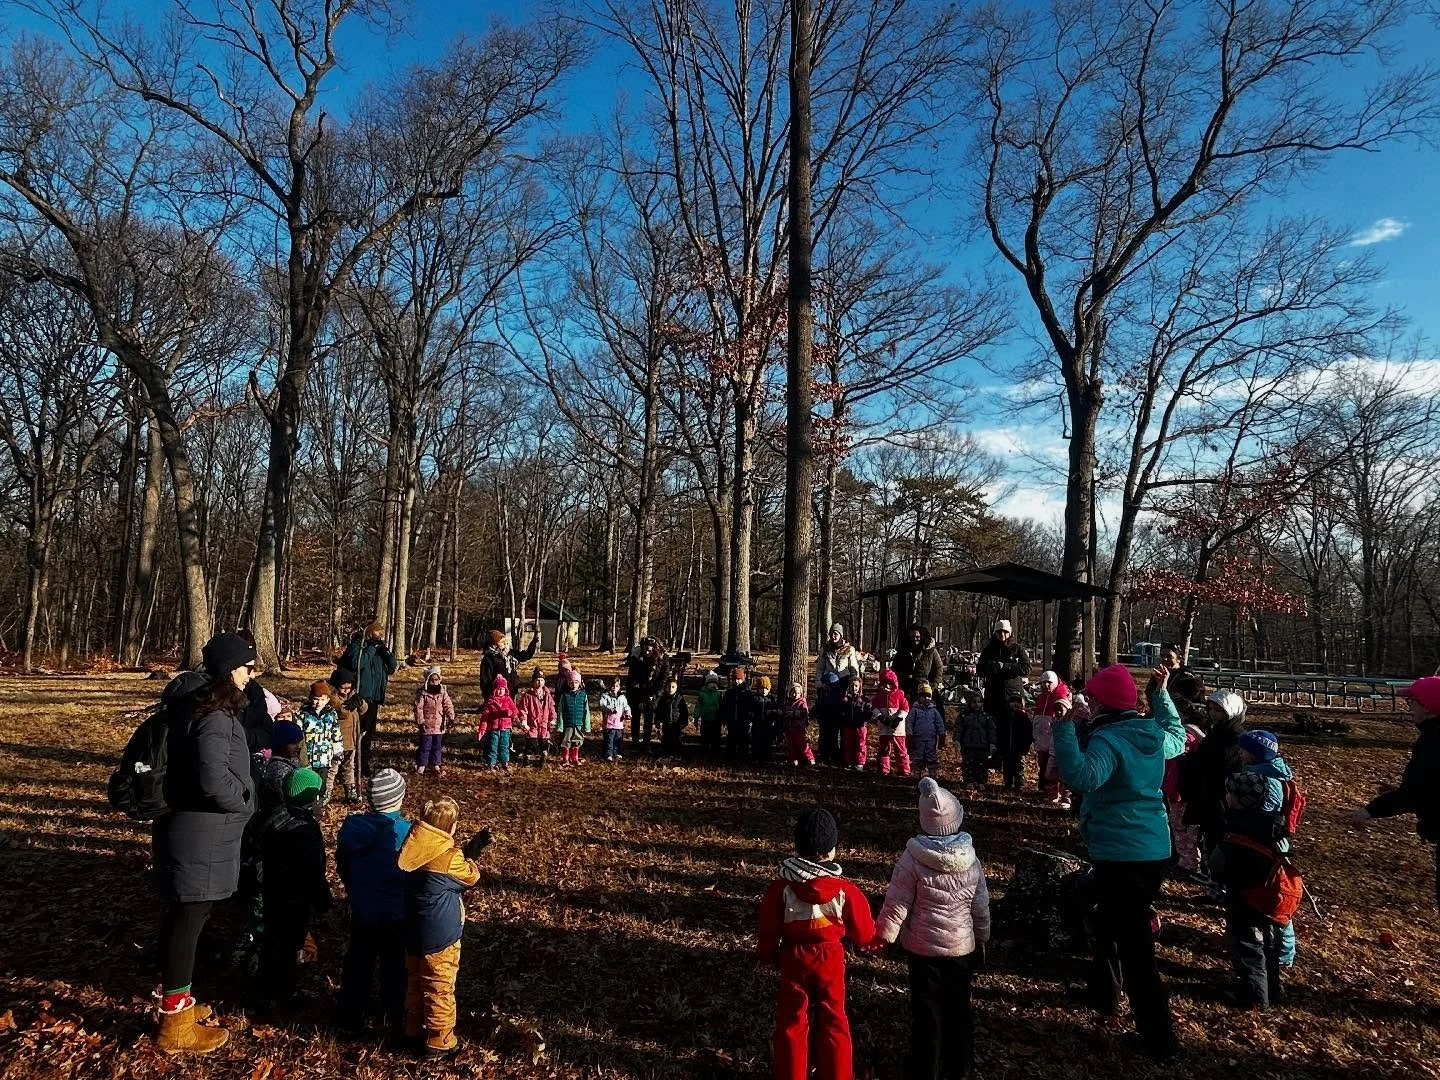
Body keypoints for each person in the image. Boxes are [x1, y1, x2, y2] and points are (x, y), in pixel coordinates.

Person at [1051, 664, 1187, 1059]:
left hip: (1121, 852)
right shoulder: (1152, 734)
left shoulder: (1108, 741)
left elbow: (1082, 777)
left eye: (1092, 698)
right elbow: (1179, 736)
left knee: (1135, 947)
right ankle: (1102, 992)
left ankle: (1159, 1039)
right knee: (1105, 915)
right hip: (1153, 849)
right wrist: (1160, 695)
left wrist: (1062, 729)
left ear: (1103, 703)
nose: (1088, 704)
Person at [151, 631, 257, 1055]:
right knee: (188, 923)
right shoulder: (214, 716)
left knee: (182, 919)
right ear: (231, 670)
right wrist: (244, 800)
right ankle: (174, 1026)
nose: (252, 675)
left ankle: (175, 1001)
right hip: (203, 837)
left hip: (190, 831)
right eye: (249, 667)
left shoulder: (192, 706)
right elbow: (213, 778)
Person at [866, 779, 990, 1079]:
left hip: (922, 952)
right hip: (961, 948)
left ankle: (926, 1069)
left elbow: (897, 903)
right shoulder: (971, 859)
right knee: (959, 1009)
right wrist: (983, 937)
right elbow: (980, 905)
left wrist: (883, 934)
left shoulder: (912, 858)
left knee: (926, 1013)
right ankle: (961, 1068)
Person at [757, 809, 875, 1080]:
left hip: (793, 956)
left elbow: (768, 928)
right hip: (830, 958)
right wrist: (869, 940)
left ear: (797, 847)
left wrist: (767, 955)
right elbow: (864, 931)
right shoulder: (845, 890)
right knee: (834, 1019)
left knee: (792, 1020)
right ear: (833, 850)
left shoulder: (782, 888)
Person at [398, 797, 492, 1060]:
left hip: (413, 927)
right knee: (440, 984)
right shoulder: (449, 858)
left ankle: (413, 1028)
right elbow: (471, 877)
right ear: (449, 828)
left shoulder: (412, 850)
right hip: (441, 935)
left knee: (416, 979)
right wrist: (470, 856)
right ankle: (440, 1039)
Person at [1344, 674, 1440, 909]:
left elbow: (1416, 793)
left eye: (1413, 702)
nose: (1410, 707)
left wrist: (1370, 810)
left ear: (1428, 707)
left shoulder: (1433, 741)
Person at [336, 769, 412, 1034]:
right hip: (396, 912)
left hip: (362, 908)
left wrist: (352, 888)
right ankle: (395, 1012)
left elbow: (342, 864)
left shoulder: (351, 827)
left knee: (358, 960)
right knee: (395, 965)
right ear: (399, 799)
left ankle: (351, 1012)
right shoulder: (405, 833)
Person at [1211, 771, 1294, 1009]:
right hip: (1268, 895)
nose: (1226, 796)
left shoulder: (1237, 828)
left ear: (1240, 800)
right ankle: (1273, 988)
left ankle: (1255, 995)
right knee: (1267, 943)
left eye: (1229, 793)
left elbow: (1218, 865)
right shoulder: (1273, 825)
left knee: (1247, 944)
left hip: (1243, 896)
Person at [258, 767, 331, 1008]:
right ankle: (283, 993)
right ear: (312, 801)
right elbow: (311, 870)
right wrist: (322, 899)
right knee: (289, 944)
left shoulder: (271, 817)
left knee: (272, 939)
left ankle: (267, 986)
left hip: (271, 890)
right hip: (295, 898)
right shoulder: (305, 830)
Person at [1178, 688, 1249, 874]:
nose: (1213, 714)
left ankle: (1220, 883)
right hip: (1207, 793)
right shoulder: (1215, 732)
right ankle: (1212, 882)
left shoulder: (1234, 737)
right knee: (1209, 838)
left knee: (1220, 841)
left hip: (1221, 795)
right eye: (1210, 710)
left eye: (1218, 710)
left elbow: (1228, 766)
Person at [340, 622, 399, 779]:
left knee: (368, 734)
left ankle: (364, 763)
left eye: (381, 632)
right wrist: (371, 648)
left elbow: (392, 667)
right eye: (377, 632)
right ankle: (347, 766)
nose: (380, 635)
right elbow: (357, 664)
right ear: (370, 633)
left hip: (374, 698)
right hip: (359, 698)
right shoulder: (358, 646)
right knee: (353, 732)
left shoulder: (379, 649)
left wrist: (385, 651)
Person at [977, 619, 1030, 734]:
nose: (1002, 635)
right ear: (995, 633)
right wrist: (990, 668)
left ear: (1010, 633)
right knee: (993, 728)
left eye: (1005, 632)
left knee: (1013, 728)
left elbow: (1026, 669)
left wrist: (1006, 666)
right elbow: (979, 669)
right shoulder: (988, 650)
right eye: (999, 632)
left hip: (1012, 694)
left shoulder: (1017, 649)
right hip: (993, 695)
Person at [297, 681, 343, 807]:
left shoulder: (331, 714)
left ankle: (319, 804)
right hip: (308, 757)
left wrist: (338, 750)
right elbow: (299, 735)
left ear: (327, 699)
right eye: (315, 699)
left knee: (322, 783)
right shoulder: (303, 714)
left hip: (324, 758)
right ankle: (308, 804)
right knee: (308, 783)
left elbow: (336, 733)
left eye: (322, 700)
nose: (318, 703)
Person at [624, 637, 669, 755]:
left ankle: (646, 743)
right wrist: (632, 692)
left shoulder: (662, 659)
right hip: (637, 691)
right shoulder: (636, 658)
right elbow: (631, 677)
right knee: (635, 717)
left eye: (649, 650)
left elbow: (663, 680)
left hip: (653, 692)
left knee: (649, 719)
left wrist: (654, 694)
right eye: (645, 650)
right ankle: (635, 742)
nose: (647, 652)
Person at [1032, 670, 1071, 805]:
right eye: (1044, 683)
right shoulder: (1042, 697)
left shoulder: (1061, 696)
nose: (1046, 685)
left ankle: (1060, 793)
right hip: (1042, 736)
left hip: (1054, 739)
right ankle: (1046, 790)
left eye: (1049, 683)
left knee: (1056, 768)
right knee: (1044, 765)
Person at [327, 668, 362, 805]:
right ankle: (327, 791)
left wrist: (360, 701)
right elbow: (343, 713)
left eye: (349, 688)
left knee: (349, 766)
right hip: (338, 741)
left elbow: (364, 710)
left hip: (352, 740)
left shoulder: (352, 695)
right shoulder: (333, 698)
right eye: (343, 688)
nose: (346, 691)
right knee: (333, 767)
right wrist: (350, 705)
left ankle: (350, 790)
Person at [412, 666, 455, 777]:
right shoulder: (423, 694)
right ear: (428, 680)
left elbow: (448, 705)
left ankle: (435, 763)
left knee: (437, 746)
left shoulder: (442, 693)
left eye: (437, 680)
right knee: (425, 746)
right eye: (432, 680)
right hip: (426, 725)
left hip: (439, 725)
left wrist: (451, 717)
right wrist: (420, 721)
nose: (435, 682)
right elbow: (418, 708)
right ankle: (422, 764)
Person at [479, 628, 538, 702]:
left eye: (505, 641)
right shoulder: (489, 659)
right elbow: (485, 680)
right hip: (497, 695)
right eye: (502, 642)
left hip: (512, 691)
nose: (505, 644)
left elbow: (525, 656)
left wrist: (533, 643)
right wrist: (489, 698)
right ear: (494, 644)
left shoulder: (510, 653)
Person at [872, 670, 912, 777]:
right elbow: (874, 708)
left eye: (889, 684)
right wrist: (880, 716)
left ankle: (904, 769)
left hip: (897, 728)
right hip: (884, 727)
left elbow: (905, 708)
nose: (886, 686)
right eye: (884, 684)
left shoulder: (899, 694)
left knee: (900, 748)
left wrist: (898, 719)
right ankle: (884, 768)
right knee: (884, 748)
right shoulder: (879, 696)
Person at [515, 668, 556, 768]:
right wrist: (524, 721)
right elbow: (523, 709)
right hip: (532, 723)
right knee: (531, 742)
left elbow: (551, 708)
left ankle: (543, 757)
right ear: (533, 682)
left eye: (541, 680)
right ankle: (527, 759)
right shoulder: (528, 695)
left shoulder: (547, 695)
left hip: (544, 724)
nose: (539, 682)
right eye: (537, 680)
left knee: (544, 742)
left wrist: (553, 719)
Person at [896, 623, 945, 703]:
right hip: (907, 689)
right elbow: (895, 669)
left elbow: (939, 668)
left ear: (922, 637)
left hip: (926, 688)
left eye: (917, 637)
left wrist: (933, 685)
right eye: (912, 637)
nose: (915, 639)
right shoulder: (903, 652)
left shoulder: (931, 651)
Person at [955, 692, 995, 787]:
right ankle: (969, 781)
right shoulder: (964, 716)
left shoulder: (986, 716)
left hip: (982, 745)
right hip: (968, 745)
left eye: (979, 702)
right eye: (974, 702)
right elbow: (958, 729)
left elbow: (991, 731)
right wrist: (957, 740)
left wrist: (992, 743)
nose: (977, 704)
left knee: (982, 765)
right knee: (968, 764)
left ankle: (981, 781)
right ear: (969, 703)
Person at [479, 675, 518, 771]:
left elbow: (515, 711)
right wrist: (482, 729)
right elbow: (485, 717)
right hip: (494, 728)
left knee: (504, 745)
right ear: (495, 690)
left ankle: (504, 762)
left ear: (506, 690)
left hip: (505, 728)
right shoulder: (490, 702)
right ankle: (491, 763)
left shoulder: (508, 700)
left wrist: (510, 712)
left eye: (503, 689)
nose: (500, 691)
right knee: (493, 746)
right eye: (498, 689)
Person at [908, 683, 946, 780]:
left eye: (928, 696)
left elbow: (939, 723)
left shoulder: (934, 711)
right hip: (918, 738)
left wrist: (942, 735)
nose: (926, 699)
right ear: (919, 697)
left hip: (931, 739)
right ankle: (917, 775)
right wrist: (909, 735)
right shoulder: (914, 710)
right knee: (918, 757)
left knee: (931, 756)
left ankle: (932, 775)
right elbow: (909, 723)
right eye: (923, 696)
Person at [997, 689, 1033, 792]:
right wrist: (1000, 746)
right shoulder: (1004, 716)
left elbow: (1028, 733)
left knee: (1019, 767)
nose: (1015, 704)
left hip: (1020, 748)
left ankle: (1019, 784)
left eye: (1018, 702)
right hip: (1006, 747)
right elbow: (1000, 731)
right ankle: (1007, 783)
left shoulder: (1024, 717)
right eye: (1013, 702)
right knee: (1007, 767)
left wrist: (1027, 745)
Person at [556, 667, 591, 768]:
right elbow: (560, 711)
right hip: (568, 723)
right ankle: (565, 758)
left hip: (578, 723)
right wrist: (560, 725)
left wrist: (587, 726)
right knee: (566, 741)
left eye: (576, 682)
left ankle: (574, 758)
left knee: (577, 740)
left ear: (579, 683)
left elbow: (586, 711)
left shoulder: (583, 695)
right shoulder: (565, 695)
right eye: (572, 682)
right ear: (568, 683)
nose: (574, 684)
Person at [816, 623, 862, 695]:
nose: (833, 636)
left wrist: (855, 682)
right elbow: (820, 669)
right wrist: (819, 683)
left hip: (844, 681)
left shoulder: (849, 649)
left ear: (841, 635)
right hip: (829, 682)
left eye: (835, 634)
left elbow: (853, 667)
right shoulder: (825, 649)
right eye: (831, 634)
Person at [721, 666, 755, 762]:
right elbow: (725, 707)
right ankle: (729, 758)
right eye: (735, 679)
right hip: (732, 721)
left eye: (739, 679)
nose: (737, 681)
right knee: (731, 740)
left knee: (743, 741)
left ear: (743, 679)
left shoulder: (748, 693)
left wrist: (750, 719)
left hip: (743, 721)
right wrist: (724, 719)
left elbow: (751, 707)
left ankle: (743, 758)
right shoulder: (729, 693)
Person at [812, 671, 845, 766]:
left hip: (834, 721)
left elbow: (837, 708)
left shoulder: (837, 696)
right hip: (823, 720)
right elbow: (818, 705)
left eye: (825, 684)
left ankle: (834, 756)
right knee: (823, 738)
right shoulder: (822, 694)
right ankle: (824, 754)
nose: (823, 685)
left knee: (833, 739)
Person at [779, 682, 814, 767]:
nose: (795, 695)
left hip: (799, 727)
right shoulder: (787, 703)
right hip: (789, 727)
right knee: (791, 745)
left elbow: (804, 713)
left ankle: (810, 758)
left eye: (798, 693)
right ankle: (794, 759)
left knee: (802, 744)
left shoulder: (802, 702)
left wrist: (792, 714)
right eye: (793, 692)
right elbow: (784, 712)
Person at [839, 677, 870, 771]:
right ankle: (849, 762)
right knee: (848, 744)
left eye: (856, 686)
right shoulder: (845, 699)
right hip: (848, 725)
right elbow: (841, 711)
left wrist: (864, 718)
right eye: (852, 685)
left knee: (860, 745)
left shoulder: (864, 700)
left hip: (860, 726)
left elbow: (869, 712)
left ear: (860, 686)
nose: (854, 688)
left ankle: (860, 762)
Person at [599, 676, 631, 763]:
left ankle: (617, 753)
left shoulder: (622, 697)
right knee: (609, 739)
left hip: (619, 723)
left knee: (618, 739)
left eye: (616, 686)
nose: (614, 688)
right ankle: (608, 754)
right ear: (609, 686)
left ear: (619, 687)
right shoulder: (605, 696)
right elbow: (602, 705)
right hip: (609, 724)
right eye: (612, 686)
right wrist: (610, 708)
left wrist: (627, 714)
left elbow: (626, 706)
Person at [656, 676, 690, 757]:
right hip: (666, 723)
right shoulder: (663, 699)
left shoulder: (679, 699)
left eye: (673, 687)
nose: (671, 688)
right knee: (666, 739)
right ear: (666, 687)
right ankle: (666, 754)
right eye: (669, 686)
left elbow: (684, 711)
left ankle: (677, 754)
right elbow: (659, 711)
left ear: (676, 688)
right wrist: (657, 721)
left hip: (676, 723)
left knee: (676, 739)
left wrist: (684, 722)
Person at [696, 671, 724, 756]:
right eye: (711, 683)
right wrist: (696, 716)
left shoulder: (719, 694)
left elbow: (721, 706)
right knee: (705, 736)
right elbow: (698, 706)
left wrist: (722, 717)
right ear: (706, 684)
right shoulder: (702, 694)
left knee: (716, 737)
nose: (713, 685)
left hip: (716, 719)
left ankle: (715, 753)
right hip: (705, 719)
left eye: (715, 683)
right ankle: (704, 752)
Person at [752, 675, 777, 763]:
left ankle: (767, 756)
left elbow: (775, 710)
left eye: (766, 689)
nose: (764, 691)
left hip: (768, 724)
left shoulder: (771, 699)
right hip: (757, 723)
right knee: (756, 740)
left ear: (769, 689)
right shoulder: (754, 698)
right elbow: (751, 709)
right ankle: (756, 756)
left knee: (767, 740)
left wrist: (772, 713)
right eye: (761, 688)